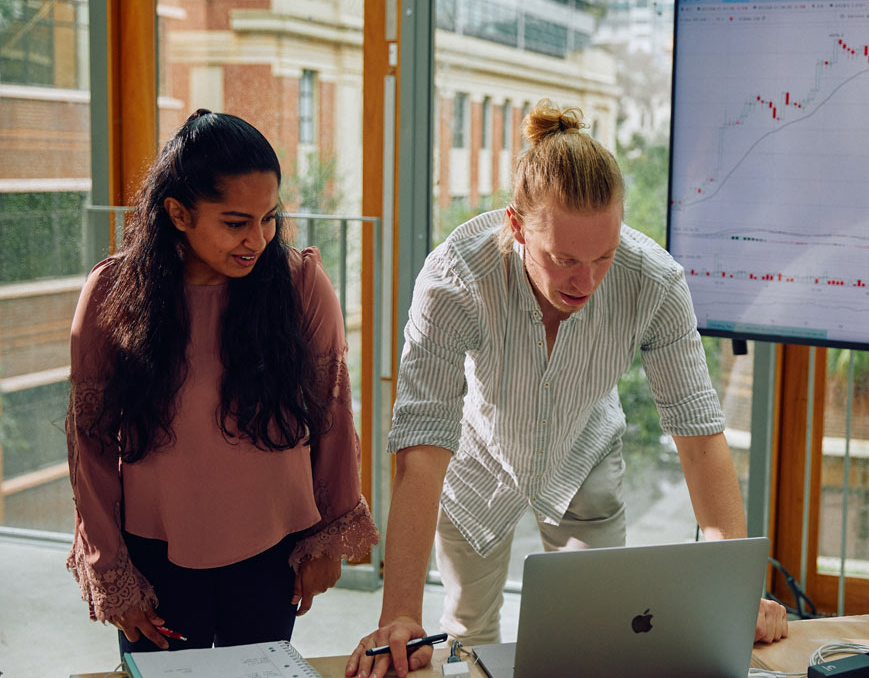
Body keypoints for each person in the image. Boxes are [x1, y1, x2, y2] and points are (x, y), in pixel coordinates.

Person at [347, 100, 787, 678]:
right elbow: (422, 451)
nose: (586, 281)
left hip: (585, 453)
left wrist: (731, 589)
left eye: (603, 256)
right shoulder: (455, 277)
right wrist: (400, 612)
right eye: (564, 259)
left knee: (603, 632)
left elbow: (700, 438)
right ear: (515, 227)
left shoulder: (653, 281)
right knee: (470, 637)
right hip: (478, 463)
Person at [66, 109, 379, 653]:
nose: (257, 240)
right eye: (236, 222)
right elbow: (89, 444)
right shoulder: (112, 293)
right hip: (154, 556)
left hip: (271, 552)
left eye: (269, 218)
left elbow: (333, 414)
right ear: (179, 213)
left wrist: (329, 534)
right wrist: (110, 569)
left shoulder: (301, 284)